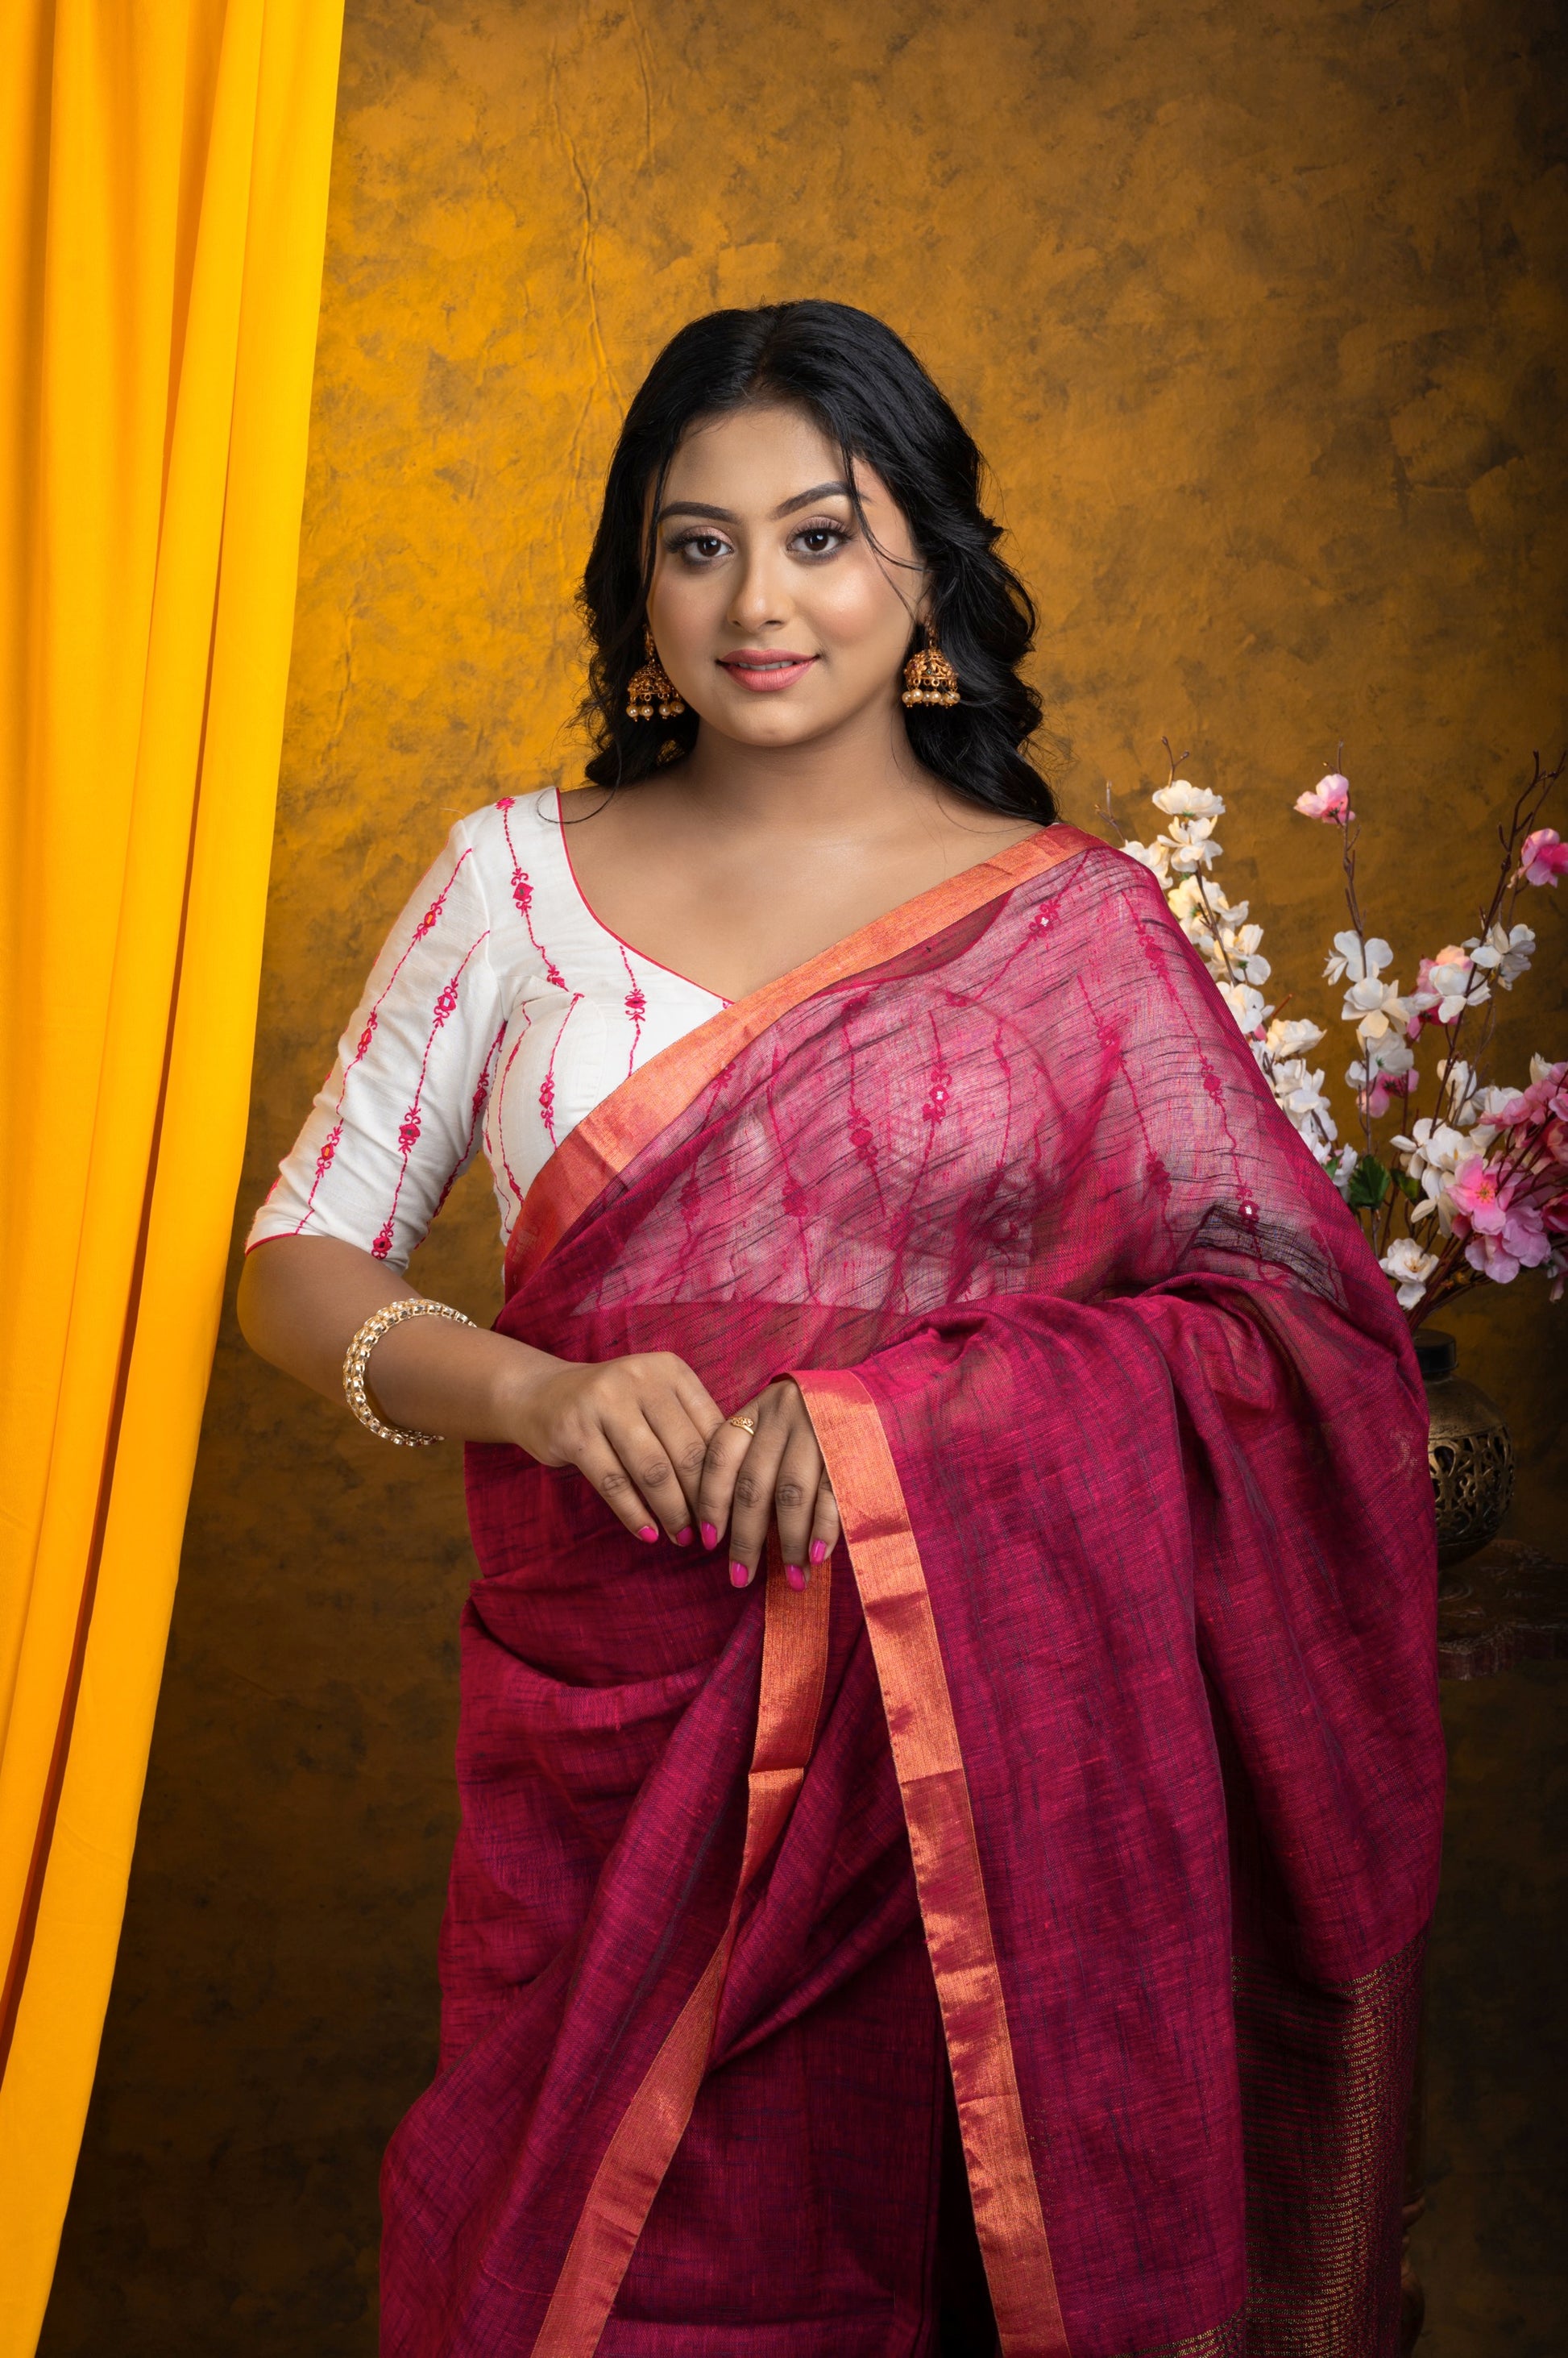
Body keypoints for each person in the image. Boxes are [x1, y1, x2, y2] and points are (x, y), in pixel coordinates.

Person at [239, 301, 1445, 2358]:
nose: (756, 599)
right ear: (637, 581)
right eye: (694, 543)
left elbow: (1286, 1333)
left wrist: (922, 1430)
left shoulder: (1069, 924)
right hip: (597, 1758)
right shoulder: (511, 884)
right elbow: (295, 1257)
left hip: (953, 1786)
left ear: (928, 579)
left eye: (818, 535)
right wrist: (528, 1387)